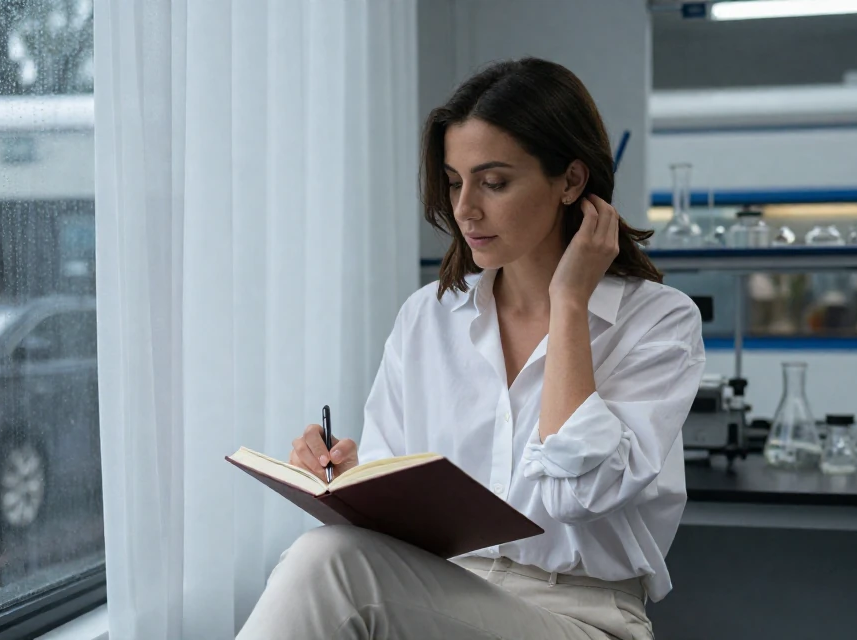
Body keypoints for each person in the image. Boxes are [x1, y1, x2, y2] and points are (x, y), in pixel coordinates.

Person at [238, 57, 705, 640]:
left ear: (571, 181)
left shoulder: (658, 320)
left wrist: (568, 305)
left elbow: (581, 493)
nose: (465, 210)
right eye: (456, 183)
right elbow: (396, 514)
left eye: (494, 182)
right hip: (436, 596)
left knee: (328, 562)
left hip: (583, 616)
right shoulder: (426, 317)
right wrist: (352, 478)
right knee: (331, 551)